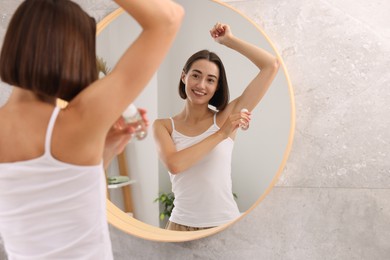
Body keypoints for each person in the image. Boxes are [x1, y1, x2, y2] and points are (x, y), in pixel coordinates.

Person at [0, 0, 184, 259]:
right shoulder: (78, 118)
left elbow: (56, 204)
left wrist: (103, 151)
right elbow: (169, 18)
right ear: (73, 54)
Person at [153, 22, 279, 231]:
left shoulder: (226, 116)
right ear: (184, 76)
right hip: (179, 227)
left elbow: (271, 65)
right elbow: (175, 164)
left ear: (216, 87)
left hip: (224, 224)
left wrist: (229, 41)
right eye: (195, 75)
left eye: (210, 80)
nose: (201, 85)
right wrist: (222, 134)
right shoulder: (163, 126)